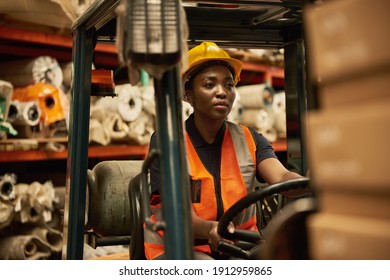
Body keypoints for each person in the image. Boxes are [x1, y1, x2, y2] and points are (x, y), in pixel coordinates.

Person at [144, 41, 305, 260]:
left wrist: (306, 182)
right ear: (189, 95)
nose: (222, 92)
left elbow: (282, 177)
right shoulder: (167, 141)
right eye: (210, 84)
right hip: (182, 249)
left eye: (229, 85)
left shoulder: (250, 138)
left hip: (241, 245)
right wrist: (212, 229)